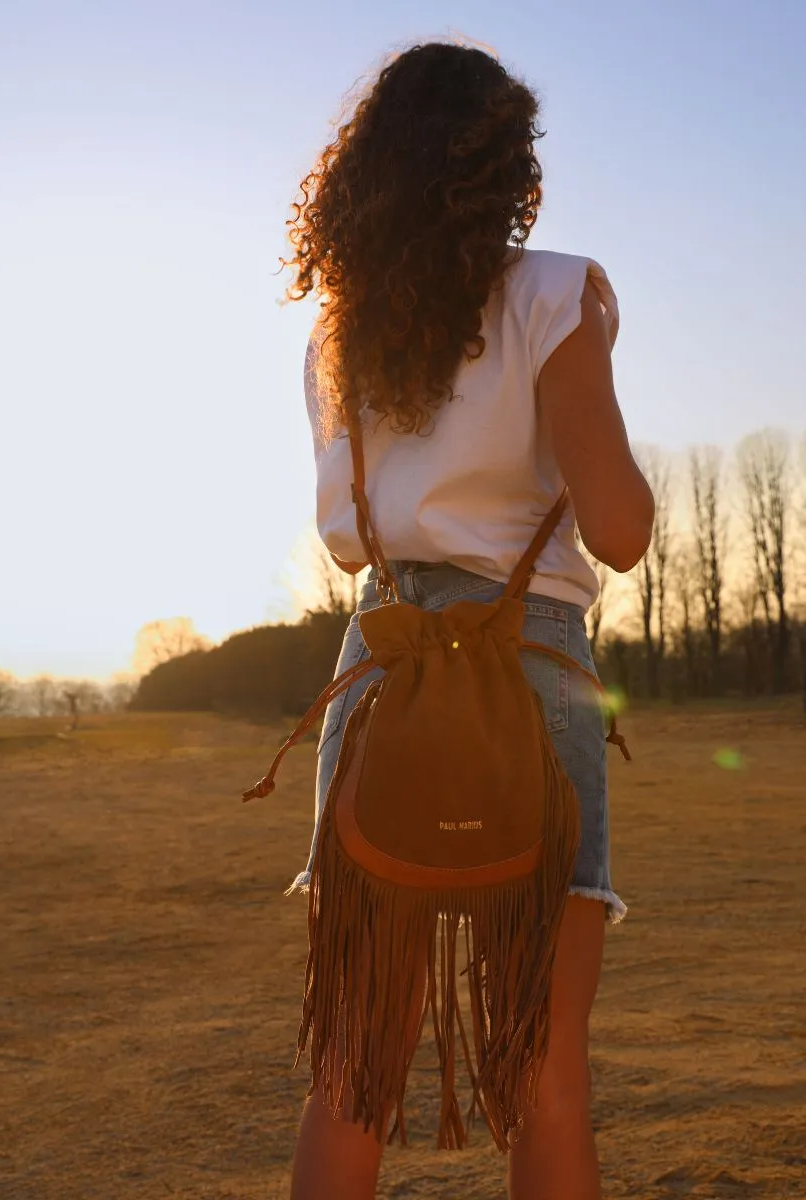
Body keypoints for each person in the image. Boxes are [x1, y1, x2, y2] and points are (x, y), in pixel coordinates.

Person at [279, 40, 655, 1200]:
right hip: (533, 666)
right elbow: (621, 530)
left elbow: (346, 538)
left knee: (353, 1070)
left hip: (383, 666)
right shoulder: (555, 292)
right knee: (547, 1077)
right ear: (508, 173)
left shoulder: (339, 335)